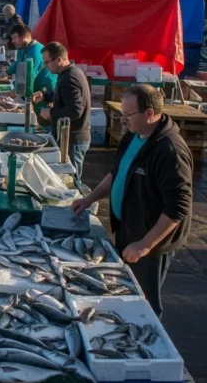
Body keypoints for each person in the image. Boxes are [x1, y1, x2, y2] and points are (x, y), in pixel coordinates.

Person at [72, 85, 192, 317]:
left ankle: (147, 343)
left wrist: (145, 244)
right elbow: (116, 173)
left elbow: (179, 207)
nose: (123, 120)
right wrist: (88, 199)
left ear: (149, 113)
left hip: (151, 243)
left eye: (128, 115)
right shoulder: (134, 135)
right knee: (124, 289)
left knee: (144, 300)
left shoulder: (170, 151)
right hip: (128, 230)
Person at [35, 42, 91, 186]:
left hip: (74, 139)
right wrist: (46, 96)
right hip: (72, 137)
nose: (46, 66)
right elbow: (63, 96)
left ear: (58, 59)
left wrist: (51, 112)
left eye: (47, 62)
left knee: (71, 181)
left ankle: (78, 207)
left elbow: (76, 110)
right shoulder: (68, 73)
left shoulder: (69, 78)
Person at [0, 23, 56, 110]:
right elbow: (18, 64)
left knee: (38, 118)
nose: (12, 41)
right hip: (28, 92)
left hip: (42, 93)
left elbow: (29, 77)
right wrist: (0, 76)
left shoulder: (35, 52)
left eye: (14, 38)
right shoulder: (21, 48)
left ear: (24, 37)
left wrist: (15, 92)